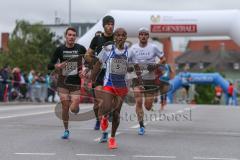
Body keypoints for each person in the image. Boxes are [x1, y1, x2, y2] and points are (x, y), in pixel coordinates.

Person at [90, 27, 130, 149]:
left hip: (122, 86)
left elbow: (135, 67)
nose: (120, 37)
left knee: (116, 114)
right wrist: (92, 79)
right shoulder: (108, 49)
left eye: (123, 35)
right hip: (109, 84)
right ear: (114, 37)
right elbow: (98, 63)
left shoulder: (130, 51)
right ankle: (105, 118)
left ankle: (112, 138)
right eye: (118, 35)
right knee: (106, 107)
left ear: (126, 37)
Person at [48, 27, 86, 139]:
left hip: (75, 82)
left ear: (76, 37)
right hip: (63, 82)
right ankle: (66, 130)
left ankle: (76, 107)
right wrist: (57, 66)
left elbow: (89, 61)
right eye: (69, 35)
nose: (71, 37)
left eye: (74, 35)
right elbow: (49, 65)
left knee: (73, 108)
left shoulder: (81, 48)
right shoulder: (59, 49)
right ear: (66, 36)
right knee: (65, 107)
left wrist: (84, 70)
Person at [128, 27, 164, 135]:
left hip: (150, 80)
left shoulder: (153, 47)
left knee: (148, 106)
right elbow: (127, 62)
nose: (143, 36)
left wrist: (155, 66)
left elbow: (163, 59)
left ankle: (149, 105)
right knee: (139, 101)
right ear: (138, 36)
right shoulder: (133, 48)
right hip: (137, 79)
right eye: (141, 34)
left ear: (148, 36)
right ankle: (141, 125)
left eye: (145, 34)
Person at [84, 15, 115, 131]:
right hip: (99, 74)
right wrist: (95, 61)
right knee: (98, 103)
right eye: (108, 24)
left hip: (112, 74)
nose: (110, 26)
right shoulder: (97, 39)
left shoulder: (116, 39)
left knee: (108, 101)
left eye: (112, 24)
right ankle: (99, 119)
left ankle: (108, 113)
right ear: (103, 25)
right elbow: (87, 55)